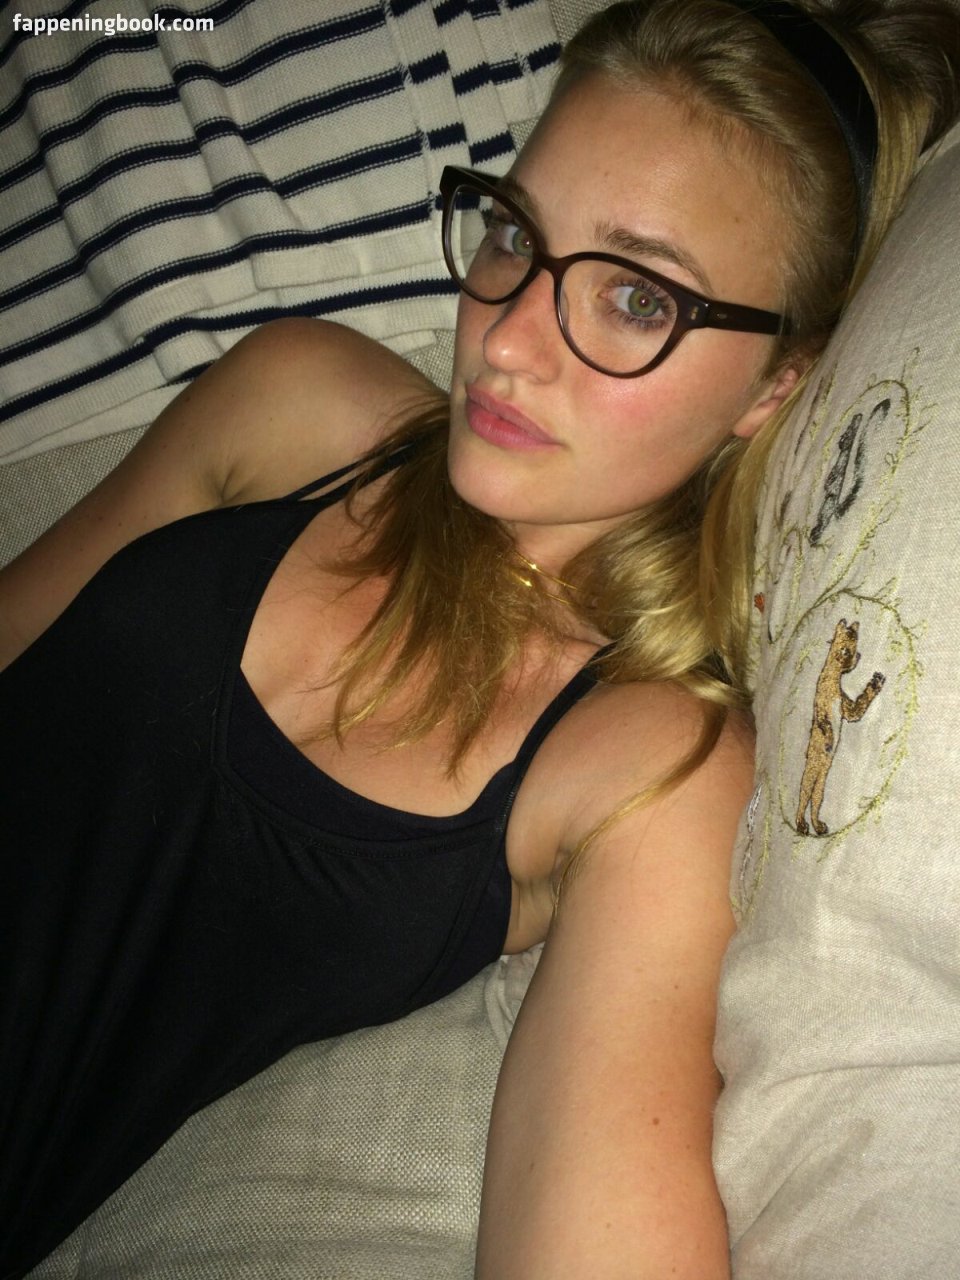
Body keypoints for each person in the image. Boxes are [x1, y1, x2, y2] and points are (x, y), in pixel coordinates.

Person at [1, 0, 957, 1276]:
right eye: (514, 234)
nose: (503, 339)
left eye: (635, 297)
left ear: (776, 385)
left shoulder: (644, 765)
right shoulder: (295, 399)